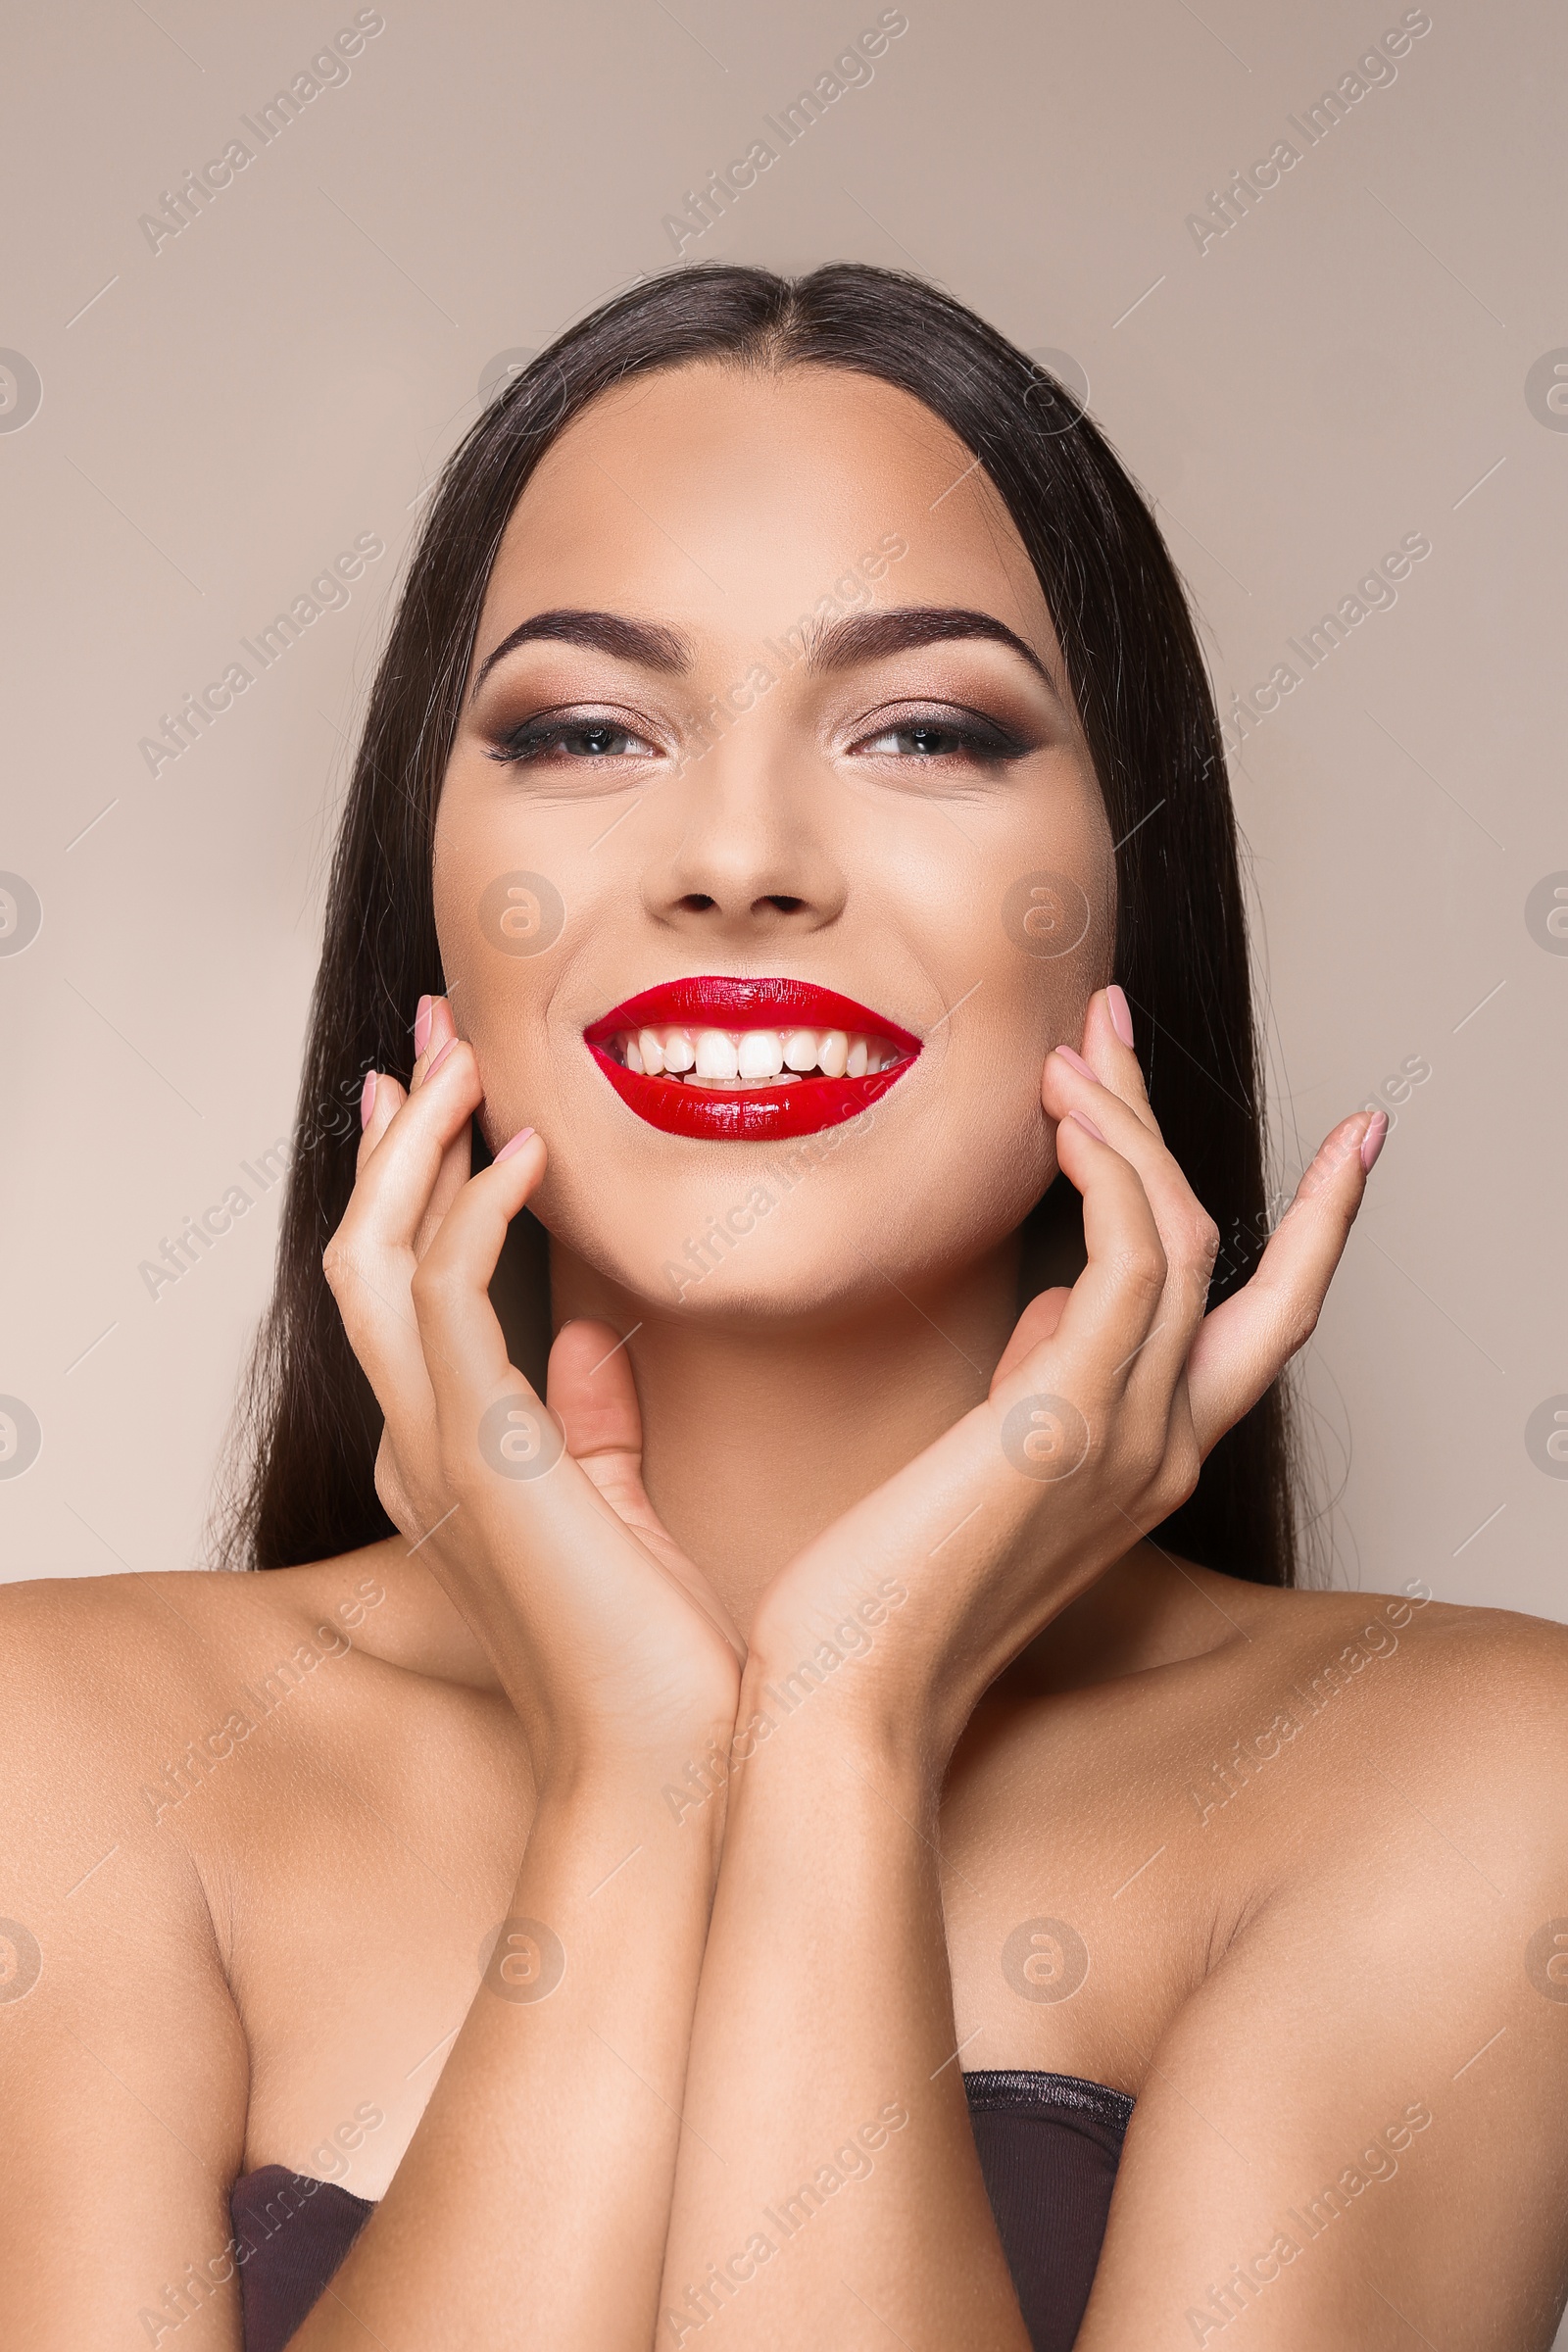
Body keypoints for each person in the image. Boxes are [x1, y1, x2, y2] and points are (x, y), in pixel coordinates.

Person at [3, 264, 1563, 2352]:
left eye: (924, 728)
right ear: (432, 905)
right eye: (585, 730)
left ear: (1123, 890)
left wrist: (839, 1721)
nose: (737, 856)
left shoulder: (1474, 1787)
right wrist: (635, 1783)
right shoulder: (54, 1755)